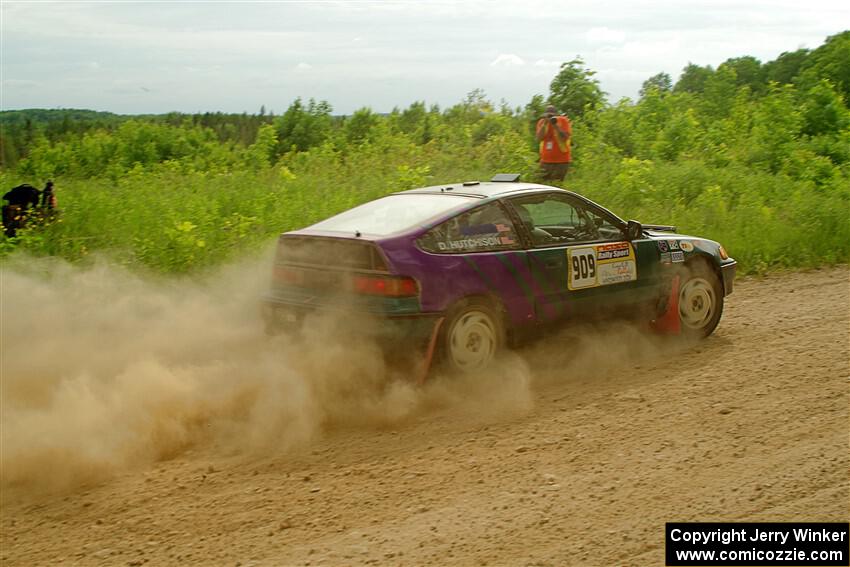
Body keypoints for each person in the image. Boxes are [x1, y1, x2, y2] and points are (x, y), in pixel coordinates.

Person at [535, 104, 572, 181]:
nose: (550, 117)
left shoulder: (563, 121)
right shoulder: (542, 122)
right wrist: (545, 123)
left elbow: (565, 137)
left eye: (552, 115)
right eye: (548, 115)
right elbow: (539, 138)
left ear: (556, 115)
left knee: (557, 185)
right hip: (545, 161)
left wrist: (555, 125)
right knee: (542, 185)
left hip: (561, 162)